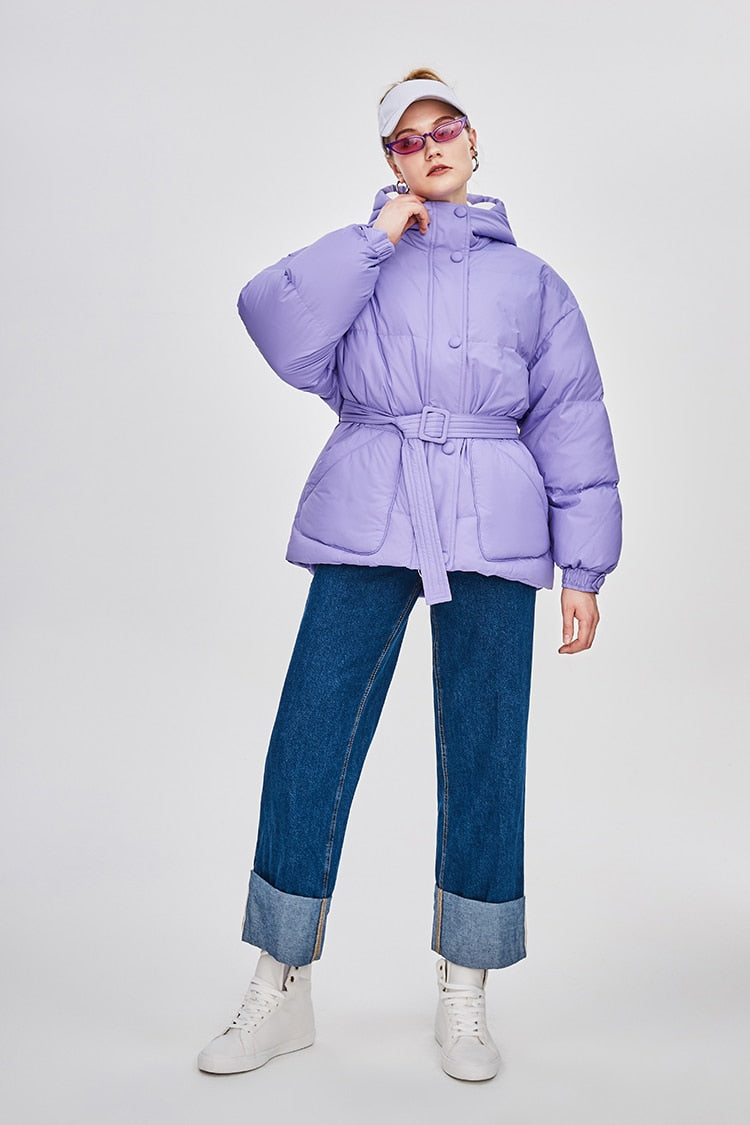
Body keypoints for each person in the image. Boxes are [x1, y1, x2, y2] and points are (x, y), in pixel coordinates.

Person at [198, 68, 622, 1083]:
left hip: (496, 520)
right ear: (389, 160)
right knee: (312, 732)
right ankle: (280, 984)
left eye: (445, 130)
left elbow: (571, 415)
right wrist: (373, 237)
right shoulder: (364, 261)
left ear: (475, 141)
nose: (430, 148)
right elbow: (273, 322)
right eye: (406, 139)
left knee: (485, 746)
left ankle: (465, 987)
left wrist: (585, 564)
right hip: (370, 504)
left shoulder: (535, 283)